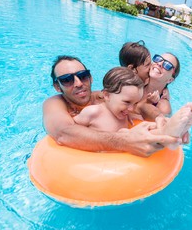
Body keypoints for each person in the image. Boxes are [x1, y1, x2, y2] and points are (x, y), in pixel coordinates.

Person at [42, 55, 181, 157]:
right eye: (66, 80)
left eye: (82, 75)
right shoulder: (55, 104)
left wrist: (161, 118)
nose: (78, 83)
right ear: (57, 86)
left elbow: (140, 107)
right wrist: (126, 141)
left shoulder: (103, 98)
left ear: (90, 78)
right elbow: (63, 133)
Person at [74, 67, 192, 150]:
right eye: (127, 102)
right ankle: (165, 134)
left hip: (121, 150)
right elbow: (73, 131)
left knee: (140, 129)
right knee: (125, 134)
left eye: (135, 103)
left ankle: (170, 131)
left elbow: (139, 118)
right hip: (101, 157)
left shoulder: (125, 113)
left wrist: (159, 120)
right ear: (107, 95)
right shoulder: (93, 112)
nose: (131, 108)